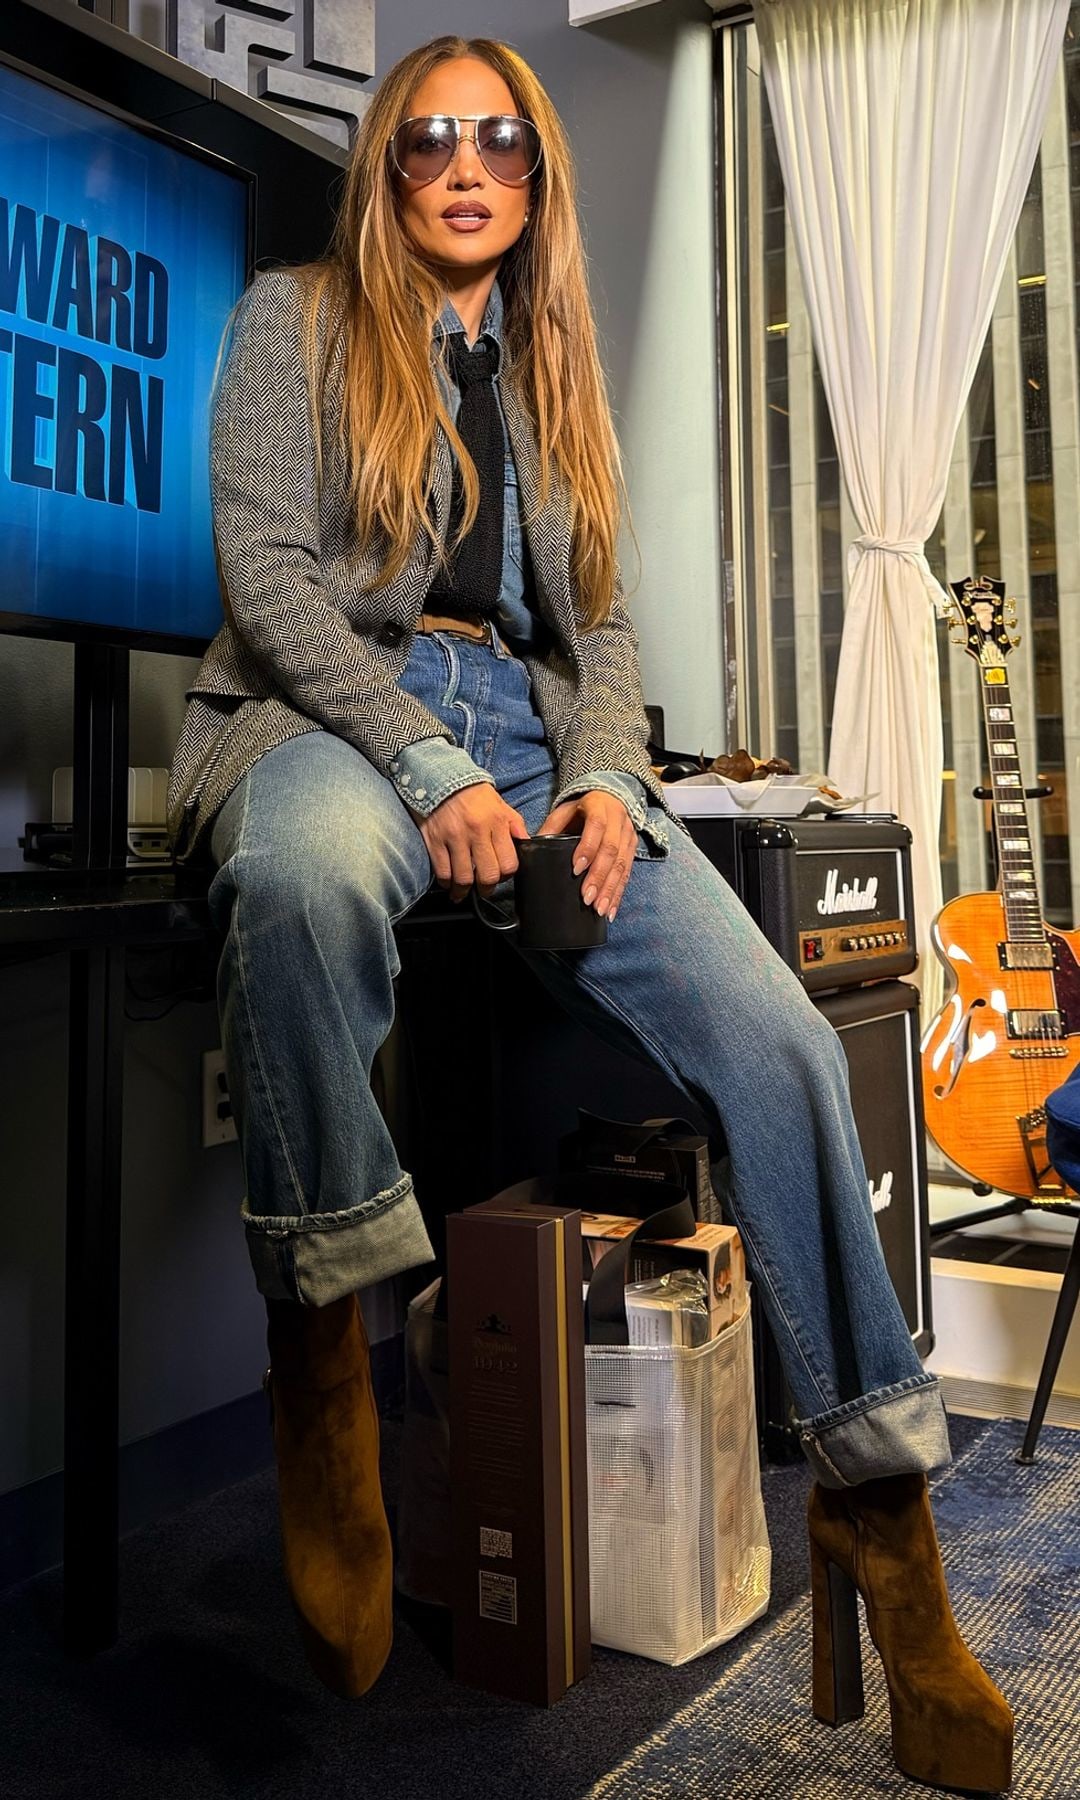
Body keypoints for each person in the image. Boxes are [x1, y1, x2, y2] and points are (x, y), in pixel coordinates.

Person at [168, 35, 1012, 1794]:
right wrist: (422, 763)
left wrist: (610, 788)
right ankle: (324, 1360)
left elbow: (602, 640)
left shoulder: (554, 368)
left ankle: (880, 1505)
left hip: (537, 749)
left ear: (536, 179)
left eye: (500, 141)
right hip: (332, 716)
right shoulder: (290, 320)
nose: (465, 166)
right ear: (387, 172)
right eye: (426, 142)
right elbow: (268, 581)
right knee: (304, 878)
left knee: (782, 1040)